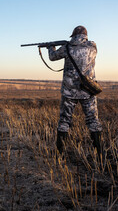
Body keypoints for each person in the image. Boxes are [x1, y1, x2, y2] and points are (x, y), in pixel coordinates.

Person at [43, 25, 102, 154]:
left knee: (64, 120)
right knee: (93, 120)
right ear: (85, 35)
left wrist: (50, 47)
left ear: (73, 35)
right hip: (88, 90)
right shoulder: (92, 47)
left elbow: (52, 57)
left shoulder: (67, 47)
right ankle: (99, 153)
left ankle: (60, 153)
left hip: (69, 91)